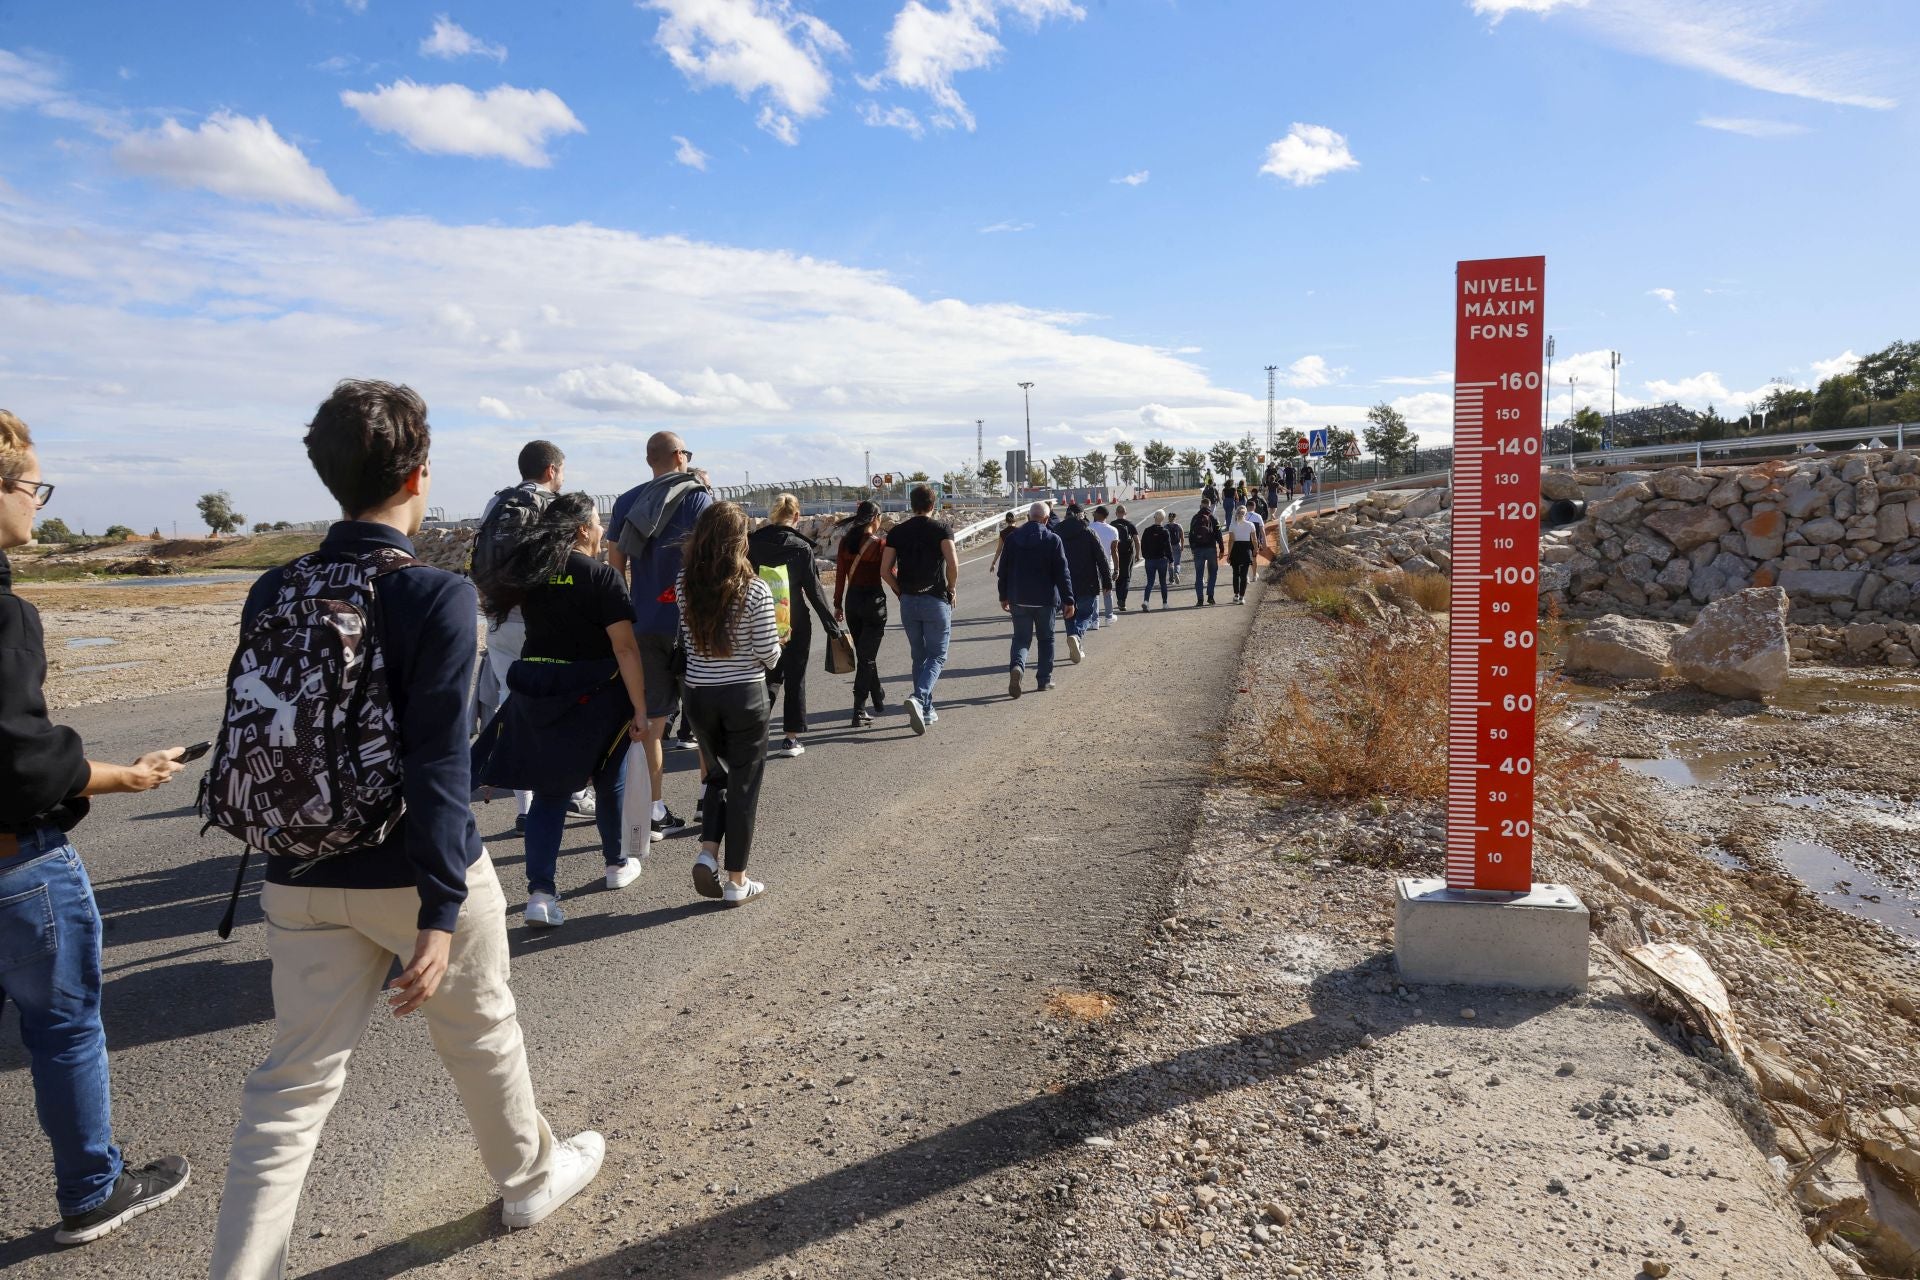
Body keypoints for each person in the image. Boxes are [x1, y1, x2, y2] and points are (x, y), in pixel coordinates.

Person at [212, 381, 603, 1277]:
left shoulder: (276, 585)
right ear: (421, 473)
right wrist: (437, 908)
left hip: (297, 867)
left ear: (328, 478)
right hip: (414, 870)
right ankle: (529, 1178)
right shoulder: (435, 594)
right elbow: (438, 761)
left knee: (291, 1089)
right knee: (480, 1030)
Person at [0, 409, 193, 1246]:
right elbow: (23, 762)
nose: (38, 503)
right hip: (19, 865)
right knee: (65, 1028)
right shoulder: (8, 615)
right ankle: (92, 1190)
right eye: (29, 485)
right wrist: (127, 776)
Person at [474, 493, 648, 927]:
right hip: (597, 696)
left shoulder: (533, 575)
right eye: (598, 522)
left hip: (542, 693)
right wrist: (642, 709)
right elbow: (625, 649)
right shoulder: (603, 578)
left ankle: (540, 894)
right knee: (611, 781)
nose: (603, 530)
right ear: (582, 530)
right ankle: (614, 864)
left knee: (549, 795)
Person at [472, 440, 582, 833]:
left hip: (499, 617)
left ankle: (524, 805)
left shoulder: (496, 503)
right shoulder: (551, 506)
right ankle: (567, 791)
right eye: (562, 470)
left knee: (510, 702)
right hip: (538, 620)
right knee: (557, 704)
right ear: (551, 470)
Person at [608, 432, 711, 840]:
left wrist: (623, 615)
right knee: (703, 714)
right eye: (687, 452)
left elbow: (614, 564)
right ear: (678, 456)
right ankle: (707, 797)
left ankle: (653, 811)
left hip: (643, 621)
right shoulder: (698, 497)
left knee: (652, 722)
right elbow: (710, 561)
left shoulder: (625, 501)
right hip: (690, 623)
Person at [678, 502, 782, 905]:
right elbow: (767, 653)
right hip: (744, 695)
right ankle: (737, 879)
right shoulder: (754, 588)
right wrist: (778, 645)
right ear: (740, 541)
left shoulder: (684, 581)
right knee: (745, 785)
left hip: (700, 695)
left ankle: (708, 852)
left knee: (717, 777)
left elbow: (688, 643)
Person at [748, 493, 844, 758]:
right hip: (796, 622)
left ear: (772, 514)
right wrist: (831, 627)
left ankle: (753, 736)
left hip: (762, 620)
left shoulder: (752, 543)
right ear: (797, 517)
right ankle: (790, 739)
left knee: (767, 677)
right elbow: (814, 590)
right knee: (795, 678)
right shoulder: (800, 548)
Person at [880, 484, 958, 736]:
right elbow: (952, 564)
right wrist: (952, 589)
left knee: (919, 656)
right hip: (935, 599)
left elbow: (885, 570)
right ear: (933, 505)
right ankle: (919, 697)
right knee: (937, 656)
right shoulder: (941, 529)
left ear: (911, 505)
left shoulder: (897, 532)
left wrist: (900, 591)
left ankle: (926, 709)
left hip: (909, 602)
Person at [996, 501, 1073, 698]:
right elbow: (1062, 573)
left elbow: (1003, 569)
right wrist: (1069, 600)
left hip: (1018, 598)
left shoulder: (1012, 539)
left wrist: (1003, 595)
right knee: (1046, 639)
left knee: (1021, 638)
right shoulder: (1053, 539)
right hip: (1045, 600)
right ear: (1046, 519)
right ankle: (1044, 680)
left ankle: (1018, 668)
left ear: (1029, 517)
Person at [833, 501, 888, 727]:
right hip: (873, 602)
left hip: (852, 602)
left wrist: (837, 604)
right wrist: (903, 594)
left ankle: (878, 695)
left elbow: (839, 576)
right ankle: (858, 709)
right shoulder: (879, 544)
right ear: (875, 517)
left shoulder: (846, 542)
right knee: (867, 657)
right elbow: (889, 573)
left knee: (865, 654)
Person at [1056, 502, 1110, 664]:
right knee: (1086, 614)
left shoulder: (1056, 533)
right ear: (1082, 515)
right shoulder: (1088, 532)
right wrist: (1107, 581)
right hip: (1088, 581)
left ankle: (1076, 645)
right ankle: (1077, 637)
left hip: (1064, 583)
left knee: (1069, 613)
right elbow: (1101, 558)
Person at [1227, 502, 1264, 604]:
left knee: (1236, 574)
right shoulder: (1250, 525)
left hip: (1236, 549)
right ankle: (1242, 597)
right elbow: (1254, 539)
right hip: (1246, 549)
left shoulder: (1232, 525)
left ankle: (1236, 595)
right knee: (1244, 575)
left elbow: (1231, 541)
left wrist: (1229, 554)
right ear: (1245, 514)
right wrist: (1255, 550)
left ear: (1236, 514)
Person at [1089, 505, 1120, 625]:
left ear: (1099, 515)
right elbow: (1114, 551)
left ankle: (1094, 620)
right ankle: (1109, 617)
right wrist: (1117, 568)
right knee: (1107, 590)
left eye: (1095, 513)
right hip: (1107, 563)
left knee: (1094, 592)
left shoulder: (1089, 528)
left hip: (1092, 564)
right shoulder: (1113, 530)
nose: (1093, 515)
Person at [1188, 502, 1222, 606]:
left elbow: (1191, 534)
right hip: (1211, 548)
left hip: (1198, 549)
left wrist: (1193, 548)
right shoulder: (1213, 517)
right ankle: (1210, 596)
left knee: (1199, 575)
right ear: (1209, 506)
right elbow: (1219, 534)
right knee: (1213, 572)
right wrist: (1222, 548)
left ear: (1200, 506)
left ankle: (1200, 599)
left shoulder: (1195, 518)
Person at [1138, 510, 1173, 612]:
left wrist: (1145, 556)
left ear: (1154, 517)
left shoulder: (1147, 530)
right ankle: (1165, 603)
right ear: (1163, 518)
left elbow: (1143, 545)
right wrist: (1171, 560)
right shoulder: (1165, 531)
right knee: (1163, 582)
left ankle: (1146, 601)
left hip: (1150, 560)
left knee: (1150, 582)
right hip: (1162, 559)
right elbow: (1168, 547)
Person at [1111, 504, 1140, 613]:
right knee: (1126, 577)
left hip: (1115, 554)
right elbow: (1137, 540)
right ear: (1125, 513)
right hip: (1128, 554)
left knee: (1118, 575)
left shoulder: (1112, 525)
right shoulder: (1130, 524)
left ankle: (1119, 598)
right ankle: (1123, 600)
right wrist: (1137, 554)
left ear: (1116, 513)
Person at [1165, 509, 1184, 584]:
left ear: (1168, 518)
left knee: (1170, 562)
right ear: (1175, 518)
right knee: (1177, 563)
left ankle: (1171, 579)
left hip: (1169, 547)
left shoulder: (1165, 526)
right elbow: (1182, 537)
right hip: (1177, 545)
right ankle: (1176, 573)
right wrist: (1182, 546)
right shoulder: (1179, 526)